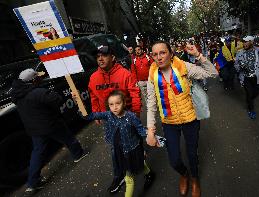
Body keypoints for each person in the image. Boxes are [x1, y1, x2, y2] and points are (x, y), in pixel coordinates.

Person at [146, 41, 218, 197]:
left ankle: (194, 178)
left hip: (190, 120)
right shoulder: (152, 74)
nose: (159, 57)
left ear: (171, 53)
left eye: (162, 52)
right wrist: (150, 130)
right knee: (174, 160)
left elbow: (213, 73)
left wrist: (198, 55)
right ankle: (184, 174)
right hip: (169, 123)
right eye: (155, 54)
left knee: (192, 154)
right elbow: (151, 103)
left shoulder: (184, 66)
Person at [10, 68, 88, 196]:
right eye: (37, 77)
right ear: (33, 80)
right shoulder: (39, 92)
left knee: (37, 154)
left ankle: (32, 184)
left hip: (34, 129)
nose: (40, 78)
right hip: (51, 124)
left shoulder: (18, 95)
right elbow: (57, 100)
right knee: (69, 139)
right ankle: (78, 155)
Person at [88, 43, 144, 193]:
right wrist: (96, 112)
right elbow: (93, 96)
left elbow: (135, 94)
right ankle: (119, 175)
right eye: (98, 56)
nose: (100, 58)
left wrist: (136, 115)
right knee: (115, 149)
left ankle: (142, 168)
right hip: (109, 122)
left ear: (112, 57)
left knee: (134, 145)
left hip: (127, 118)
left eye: (104, 55)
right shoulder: (94, 77)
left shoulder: (124, 73)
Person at [78, 90, 156, 197]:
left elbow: (141, 131)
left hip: (133, 150)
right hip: (120, 151)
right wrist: (79, 101)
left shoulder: (131, 116)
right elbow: (88, 116)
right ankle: (149, 173)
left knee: (128, 179)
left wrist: (150, 133)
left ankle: (148, 174)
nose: (114, 107)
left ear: (123, 103)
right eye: (111, 104)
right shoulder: (108, 115)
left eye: (117, 103)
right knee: (139, 163)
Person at [234, 36, 259, 119]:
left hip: (256, 77)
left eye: (246, 42)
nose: (244, 43)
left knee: (256, 93)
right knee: (249, 94)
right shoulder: (240, 52)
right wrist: (240, 66)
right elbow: (236, 66)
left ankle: (249, 100)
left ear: (251, 42)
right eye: (244, 42)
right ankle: (251, 109)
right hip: (245, 77)